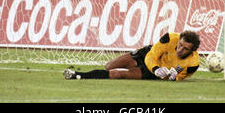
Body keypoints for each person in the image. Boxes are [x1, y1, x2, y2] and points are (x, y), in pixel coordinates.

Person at [63, 31, 200, 81]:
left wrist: (172, 77)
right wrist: (156, 68)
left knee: (117, 74)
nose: (180, 50)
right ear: (179, 39)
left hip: (152, 73)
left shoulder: (193, 63)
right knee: (109, 65)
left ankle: (78, 75)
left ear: (192, 50)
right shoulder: (170, 38)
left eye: (185, 48)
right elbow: (152, 55)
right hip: (147, 57)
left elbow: (179, 76)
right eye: (180, 45)